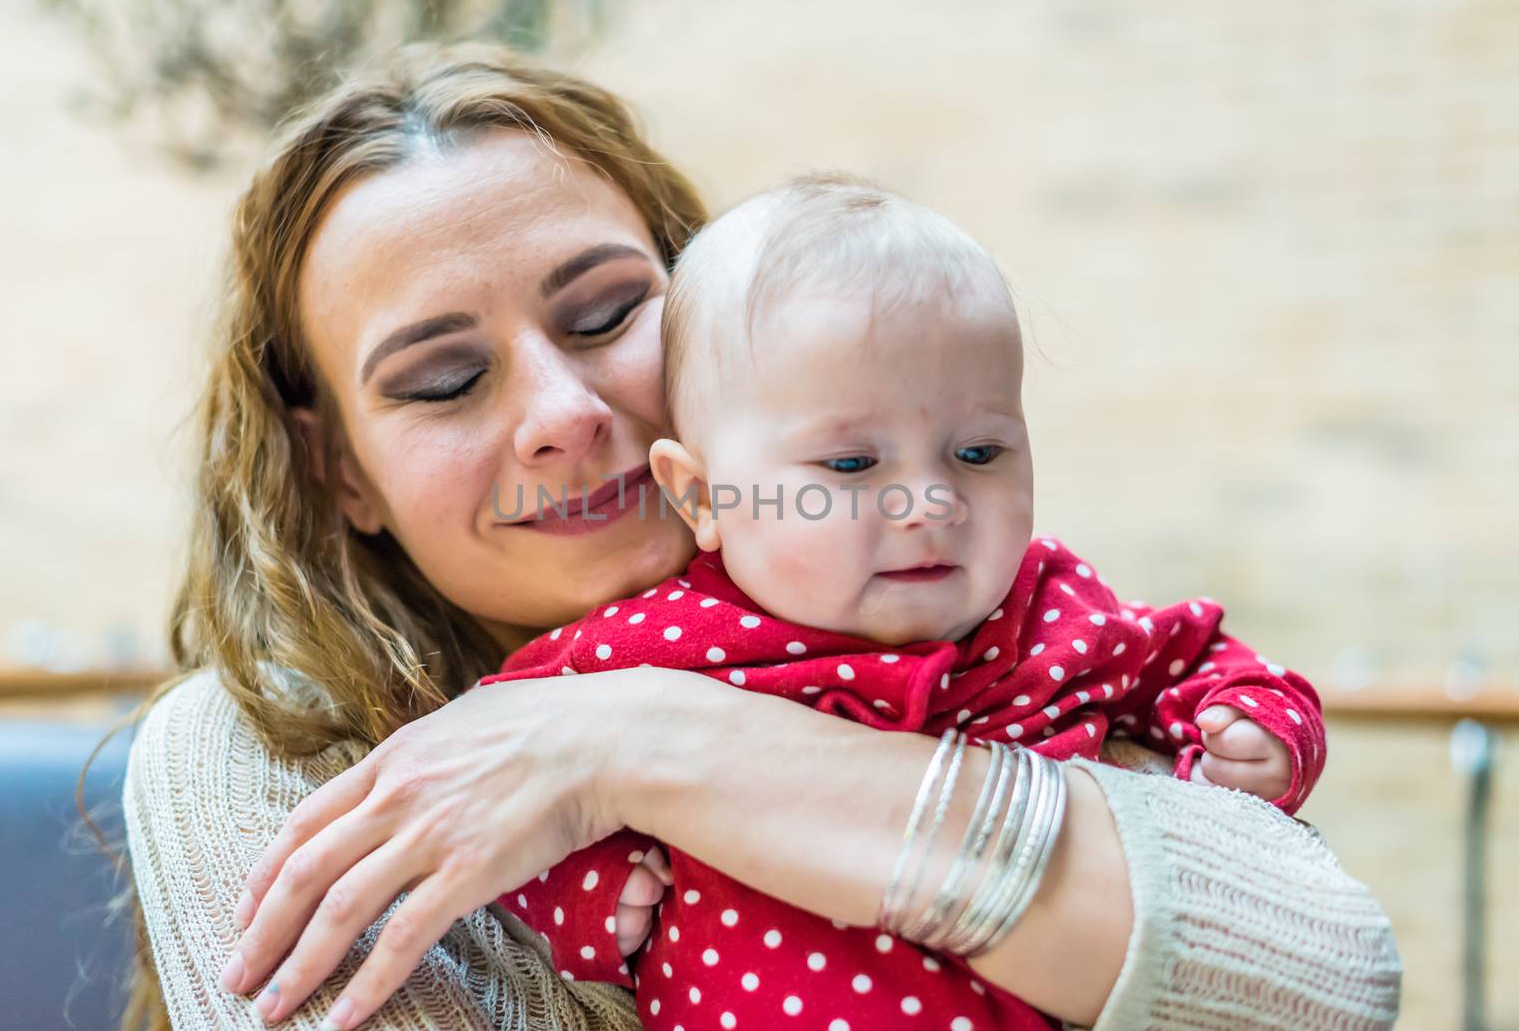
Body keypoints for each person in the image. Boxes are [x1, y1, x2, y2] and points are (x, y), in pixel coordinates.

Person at [120, 43, 1401, 1031]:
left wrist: (628, 741)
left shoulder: (943, 600)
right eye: (444, 381)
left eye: (612, 311)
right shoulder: (258, 752)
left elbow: (1329, 975)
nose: (565, 416)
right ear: (339, 470)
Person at [475, 174, 1328, 1030]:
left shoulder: (1049, 606)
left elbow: (1193, 654)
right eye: (851, 465)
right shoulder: (656, 643)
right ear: (700, 497)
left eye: (980, 451)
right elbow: (500, 772)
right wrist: (582, 901)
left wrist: (1258, 726)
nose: (929, 501)